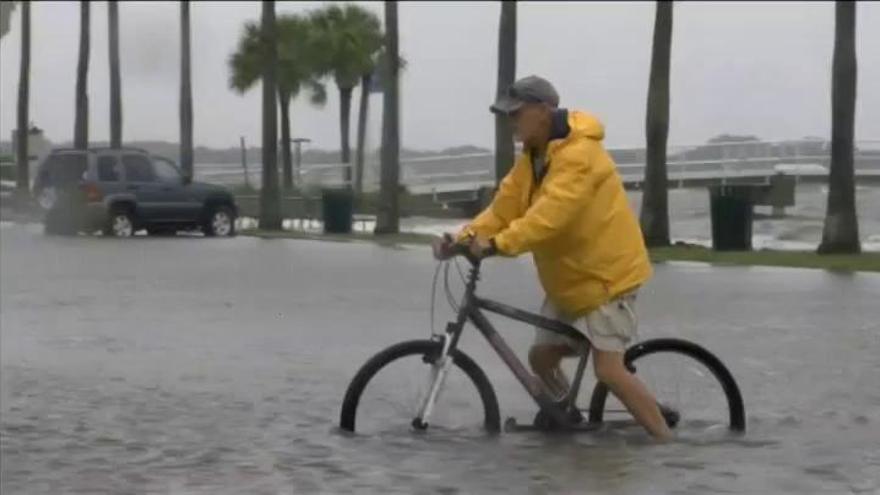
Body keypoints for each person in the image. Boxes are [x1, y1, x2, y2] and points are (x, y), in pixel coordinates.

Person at [433, 75, 672, 441]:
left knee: (608, 370)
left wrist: (497, 245)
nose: (511, 122)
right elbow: (502, 210)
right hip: (568, 282)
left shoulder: (580, 156)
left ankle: (667, 445)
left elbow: (549, 218)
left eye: (516, 114)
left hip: (606, 278)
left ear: (543, 111)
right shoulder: (532, 157)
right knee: (541, 359)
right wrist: (461, 238)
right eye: (507, 115)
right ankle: (568, 419)